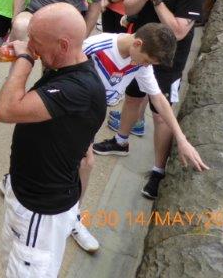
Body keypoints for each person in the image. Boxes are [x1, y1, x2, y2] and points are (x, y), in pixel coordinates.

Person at [0, 3, 106, 277]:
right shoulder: (61, 67)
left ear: (64, 45)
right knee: (9, 265)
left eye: (36, 41)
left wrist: (24, 59)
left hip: (40, 211)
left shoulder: (78, 88)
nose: (29, 45)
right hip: (24, 193)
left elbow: (5, 110)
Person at [94, 0, 204, 200]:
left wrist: (157, 0)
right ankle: (121, 141)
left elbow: (178, 31)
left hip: (167, 60)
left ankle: (157, 170)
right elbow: (129, 8)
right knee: (132, 99)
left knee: (159, 113)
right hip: (139, 54)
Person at [80, 25, 208, 242]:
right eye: (147, 60)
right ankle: (70, 214)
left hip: (93, 115)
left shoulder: (139, 63)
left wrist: (181, 138)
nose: (145, 66)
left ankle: (71, 214)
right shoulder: (94, 46)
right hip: (73, 112)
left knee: (82, 163)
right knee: (85, 163)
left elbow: (158, 99)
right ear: (137, 43)